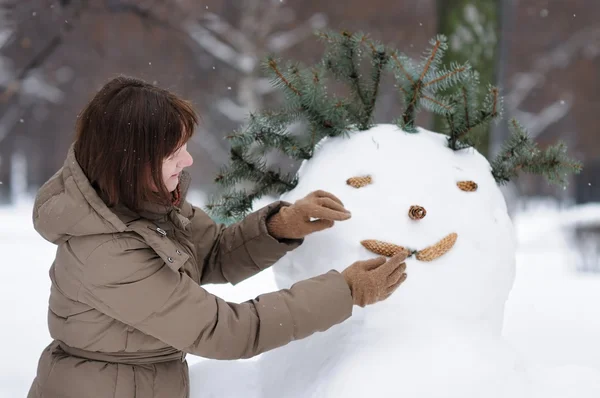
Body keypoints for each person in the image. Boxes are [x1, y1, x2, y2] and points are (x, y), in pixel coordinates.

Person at [27, 76, 408, 398]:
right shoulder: (108, 254)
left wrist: (280, 225)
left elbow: (213, 253)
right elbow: (227, 331)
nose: (188, 161)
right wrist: (346, 291)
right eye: (173, 153)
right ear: (132, 162)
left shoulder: (139, 204)